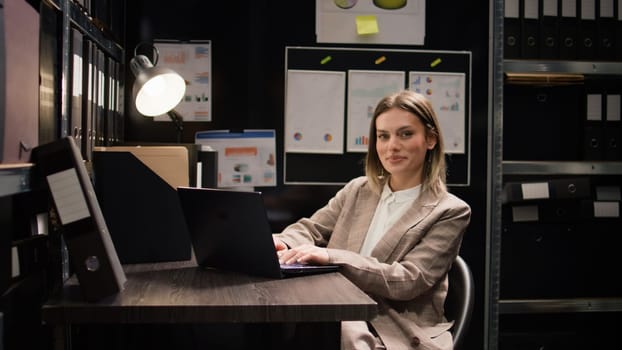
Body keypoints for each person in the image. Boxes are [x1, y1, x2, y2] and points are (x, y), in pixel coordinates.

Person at [273, 90, 471, 350]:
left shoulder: (450, 211)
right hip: (336, 312)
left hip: (393, 325)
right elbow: (310, 229)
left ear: (431, 139)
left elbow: (408, 280)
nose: (392, 146)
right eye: (383, 136)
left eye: (405, 134)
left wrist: (333, 257)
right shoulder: (359, 189)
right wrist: (281, 242)